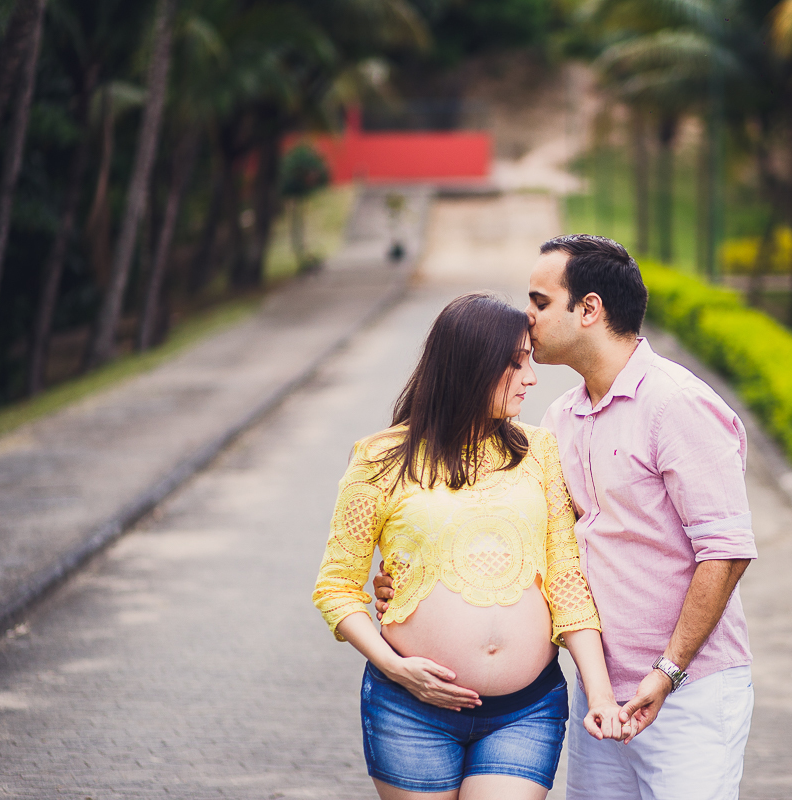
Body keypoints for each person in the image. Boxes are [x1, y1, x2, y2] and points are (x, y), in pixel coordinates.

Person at [376, 236, 757, 800]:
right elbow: (530, 542)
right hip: (598, 694)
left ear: (589, 309)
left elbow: (725, 553)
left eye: (540, 301)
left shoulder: (677, 403)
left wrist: (667, 672)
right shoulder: (560, 419)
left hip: (687, 693)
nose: (527, 317)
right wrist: (413, 581)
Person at [313, 292, 629, 800]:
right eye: (516, 363)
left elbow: (566, 580)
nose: (531, 377)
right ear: (471, 365)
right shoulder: (380, 458)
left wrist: (602, 694)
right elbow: (336, 587)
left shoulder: (539, 452)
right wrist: (396, 668)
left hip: (525, 710)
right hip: (410, 708)